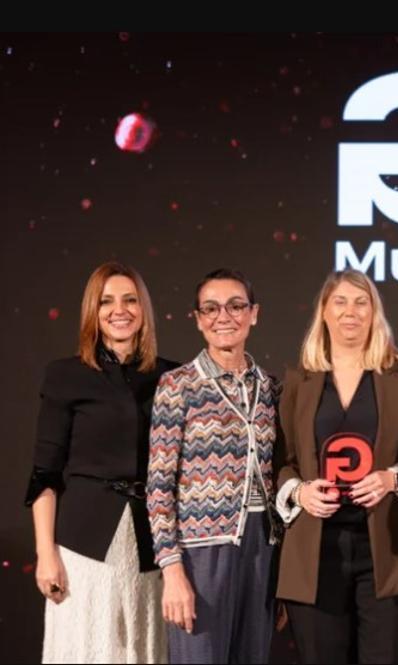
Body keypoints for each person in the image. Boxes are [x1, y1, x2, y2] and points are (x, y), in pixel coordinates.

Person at [274, 269, 398, 663]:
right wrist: (299, 491)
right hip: (316, 550)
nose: (351, 312)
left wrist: (391, 477)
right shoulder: (300, 380)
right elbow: (283, 461)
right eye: (340, 302)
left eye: (361, 302)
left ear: (374, 312)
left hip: (387, 549)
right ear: (324, 313)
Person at [28, 261, 177, 663]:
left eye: (130, 299)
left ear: (144, 309)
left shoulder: (174, 378)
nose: (120, 309)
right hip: (83, 546)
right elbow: (45, 474)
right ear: (92, 311)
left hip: (154, 546)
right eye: (107, 301)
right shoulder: (65, 375)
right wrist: (46, 554)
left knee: (145, 649)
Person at [147, 268, 280, 664]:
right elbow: (158, 487)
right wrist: (172, 571)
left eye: (236, 306)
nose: (225, 317)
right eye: (211, 308)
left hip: (262, 546)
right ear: (199, 319)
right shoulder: (178, 385)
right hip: (200, 554)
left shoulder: (270, 386)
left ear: (253, 314)